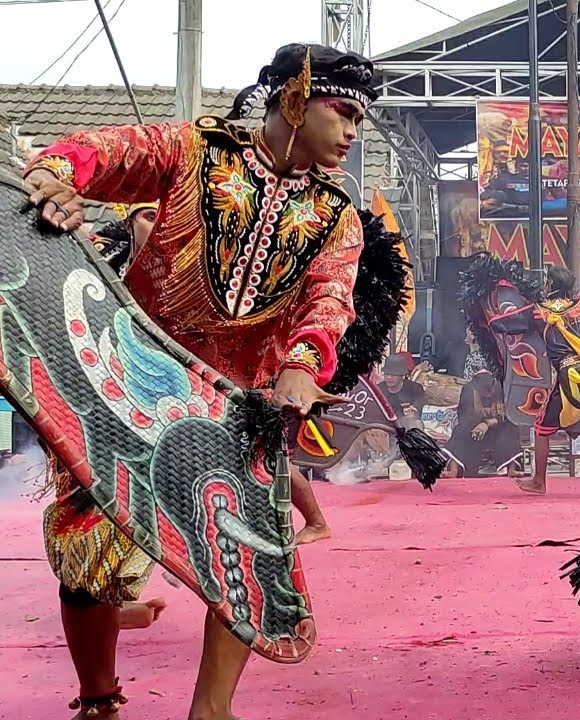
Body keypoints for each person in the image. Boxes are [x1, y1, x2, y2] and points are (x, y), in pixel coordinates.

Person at [25, 42, 380, 720]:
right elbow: (103, 151)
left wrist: (304, 367)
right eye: (343, 112)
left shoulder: (338, 217)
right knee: (88, 549)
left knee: (248, 551)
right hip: (130, 378)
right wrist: (55, 176)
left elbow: (330, 301)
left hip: (240, 403)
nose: (352, 132)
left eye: (360, 120)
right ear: (295, 99)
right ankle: (99, 697)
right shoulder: (195, 152)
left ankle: (210, 710)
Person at [489, 265, 580, 496]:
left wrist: (497, 314)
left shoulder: (540, 312)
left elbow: (502, 322)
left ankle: (539, 482)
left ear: (550, 285)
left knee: (542, 427)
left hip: (567, 376)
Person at [441, 369, 523, 478]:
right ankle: (453, 469)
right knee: (461, 429)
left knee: (510, 427)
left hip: (496, 428)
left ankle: (512, 468)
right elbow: (464, 415)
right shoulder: (469, 389)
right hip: (474, 429)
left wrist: (487, 424)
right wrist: (478, 425)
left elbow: (507, 415)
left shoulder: (501, 387)